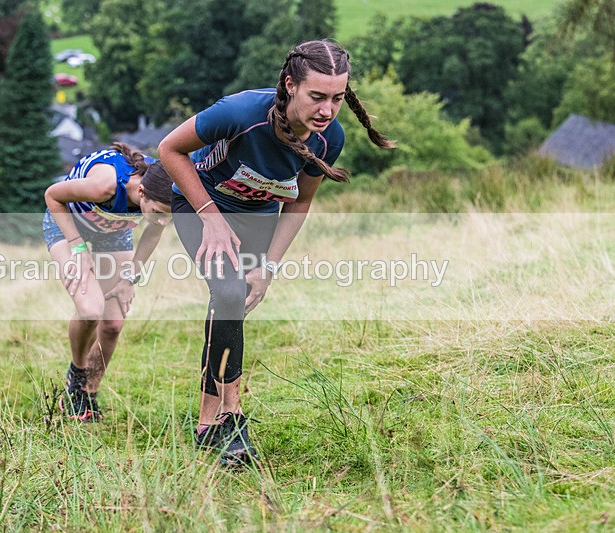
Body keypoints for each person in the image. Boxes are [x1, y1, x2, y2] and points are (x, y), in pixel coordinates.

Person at [158, 39, 394, 466]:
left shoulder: (328, 140)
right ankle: (217, 421)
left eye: (338, 98)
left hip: (257, 217)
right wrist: (210, 215)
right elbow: (169, 151)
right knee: (228, 294)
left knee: (233, 304)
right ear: (290, 85)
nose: (327, 110)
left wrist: (268, 266)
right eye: (317, 97)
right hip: (201, 205)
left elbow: (299, 202)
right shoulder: (240, 113)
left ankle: (223, 416)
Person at [43, 142, 173, 422]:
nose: (163, 222)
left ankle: (88, 395)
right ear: (140, 191)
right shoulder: (105, 185)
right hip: (68, 223)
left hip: (113, 231)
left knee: (113, 323)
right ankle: (77, 377)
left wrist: (130, 278)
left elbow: (153, 230)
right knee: (91, 309)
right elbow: (52, 196)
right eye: (159, 212)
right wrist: (78, 249)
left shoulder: (161, 188)